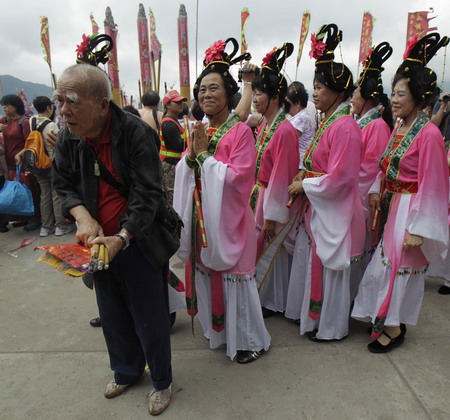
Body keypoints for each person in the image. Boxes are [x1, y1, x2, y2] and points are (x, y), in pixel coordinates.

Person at [52, 49, 175, 414]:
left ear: (103, 104)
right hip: (97, 243)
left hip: (137, 240)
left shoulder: (136, 133)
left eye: (71, 101)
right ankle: (125, 371)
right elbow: (62, 182)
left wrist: (122, 237)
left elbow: (148, 195)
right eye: (59, 100)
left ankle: (162, 382)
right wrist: (83, 217)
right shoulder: (69, 136)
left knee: (149, 315)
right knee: (111, 312)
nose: (63, 110)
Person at [173, 37, 270, 364]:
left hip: (229, 220)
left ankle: (248, 340)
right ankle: (218, 331)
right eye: (202, 89)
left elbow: (241, 179)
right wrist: (191, 162)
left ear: (229, 94)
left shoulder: (240, 132)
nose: (206, 95)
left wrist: (203, 160)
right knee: (208, 276)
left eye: (213, 88)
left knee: (236, 280)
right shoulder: (198, 128)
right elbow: (184, 166)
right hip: (202, 220)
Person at [352, 33, 449, 353]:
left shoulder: (430, 134)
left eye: (401, 94)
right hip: (394, 208)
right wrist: (378, 189)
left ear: (419, 96)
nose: (393, 99)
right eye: (392, 93)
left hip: (412, 211)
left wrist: (419, 230)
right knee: (385, 266)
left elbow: (433, 184)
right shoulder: (399, 128)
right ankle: (387, 319)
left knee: (398, 269)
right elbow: (385, 167)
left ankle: (393, 327)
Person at [286, 24, 365, 341]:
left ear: (339, 92)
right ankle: (313, 318)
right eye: (314, 86)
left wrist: (305, 185)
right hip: (320, 207)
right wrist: (304, 173)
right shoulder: (327, 122)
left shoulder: (344, 126)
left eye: (320, 87)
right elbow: (320, 165)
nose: (314, 92)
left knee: (329, 269)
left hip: (334, 209)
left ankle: (330, 326)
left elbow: (341, 178)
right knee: (314, 263)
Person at [250, 43, 300, 318]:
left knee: (272, 247)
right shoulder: (266, 125)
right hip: (260, 193)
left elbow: (283, 174)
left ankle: (273, 300)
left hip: (272, 196)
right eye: (254, 92)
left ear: (275, 96)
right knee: (264, 246)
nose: (256, 98)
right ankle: (267, 297)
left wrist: (273, 214)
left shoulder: (284, 130)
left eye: (261, 93)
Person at [348, 42, 393, 299]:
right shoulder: (363, 123)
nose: (352, 98)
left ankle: (359, 298)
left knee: (362, 250)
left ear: (366, 97)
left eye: (355, 93)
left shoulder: (375, 126)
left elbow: (369, 171)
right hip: (353, 195)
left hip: (361, 199)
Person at [15, 96, 71, 237]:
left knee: (44, 194)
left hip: (36, 164)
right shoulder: (51, 125)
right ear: (48, 108)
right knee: (56, 195)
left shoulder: (31, 121)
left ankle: (46, 227)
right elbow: (58, 145)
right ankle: (60, 226)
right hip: (51, 163)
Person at [0, 94, 40, 231]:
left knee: (28, 189)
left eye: (7, 105)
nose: (4, 107)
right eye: (3, 105)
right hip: (9, 162)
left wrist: (20, 154)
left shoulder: (23, 122)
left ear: (16, 106)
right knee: (15, 191)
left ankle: (34, 218)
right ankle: (22, 217)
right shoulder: (5, 121)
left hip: (23, 162)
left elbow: (31, 143)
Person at [159, 90, 187, 204]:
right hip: (169, 165)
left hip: (172, 164)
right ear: (168, 105)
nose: (181, 104)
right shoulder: (169, 124)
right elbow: (179, 146)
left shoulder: (172, 121)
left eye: (181, 101)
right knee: (172, 196)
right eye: (177, 102)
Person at [284, 81, 315, 169]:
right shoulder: (296, 116)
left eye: (287, 102)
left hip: (300, 165)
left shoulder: (302, 118)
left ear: (297, 103)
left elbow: (287, 138)